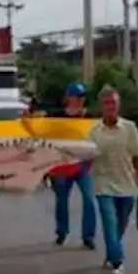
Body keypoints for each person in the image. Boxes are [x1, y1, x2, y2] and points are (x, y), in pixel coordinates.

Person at [89, 86, 138, 274]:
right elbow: (85, 155)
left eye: (113, 102)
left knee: (120, 226)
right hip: (103, 185)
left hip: (127, 184)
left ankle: (111, 252)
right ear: (101, 106)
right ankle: (118, 261)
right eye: (106, 103)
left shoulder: (129, 128)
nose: (110, 106)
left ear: (118, 105)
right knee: (109, 223)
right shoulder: (94, 132)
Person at [48, 83, 97, 249]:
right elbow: (41, 131)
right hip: (63, 166)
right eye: (77, 96)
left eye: (82, 97)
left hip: (83, 166)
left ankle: (88, 236)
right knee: (61, 201)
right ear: (68, 98)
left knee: (90, 200)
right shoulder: (56, 118)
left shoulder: (89, 117)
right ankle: (62, 232)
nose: (80, 100)